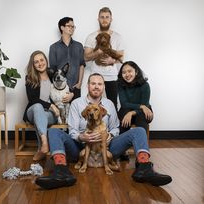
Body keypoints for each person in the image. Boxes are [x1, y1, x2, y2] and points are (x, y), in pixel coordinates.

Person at [35, 73, 172, 190]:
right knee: (53, 131)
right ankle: (61, 172)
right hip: (81, 147)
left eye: (99, 84)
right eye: (93, 83)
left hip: (107, 147)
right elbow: (72, 130)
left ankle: (144, 169)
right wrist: (82, 137)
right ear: (87, 86)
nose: (96, 86)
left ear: (103, 87)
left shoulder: (109, 104)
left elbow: (115, 128)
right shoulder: (77, 103)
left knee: (139, 131)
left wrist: (110, 135)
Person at [84, 7, 124, 109]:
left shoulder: (117, 37)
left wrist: (112, 60)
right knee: (94, 104)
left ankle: (113, 125)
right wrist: (97, 52)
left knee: (113, 104)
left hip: (112, 76)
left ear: (111, 19)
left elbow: (121, 57)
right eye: (102, 17)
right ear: (98, 19)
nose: (104, 19)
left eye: (107, 17)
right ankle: (94, 125)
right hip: (95, 76)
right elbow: (85, 57)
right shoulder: (91, 36)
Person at [23, 50, 60, 161]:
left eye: (42, 60)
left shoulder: (52, 74)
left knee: (41, 116)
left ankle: (41, 149)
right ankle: (44, 143)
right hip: (33, 111)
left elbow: (65, 83)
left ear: (46, 60)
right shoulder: (30, 77)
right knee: (38, 107)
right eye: (36, 62)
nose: (40, 63)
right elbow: (33, 100)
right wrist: (51, 106)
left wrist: (71, 93)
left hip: (49, 115)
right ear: (33, 65)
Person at [49, 17, 85, 101]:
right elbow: (53, 70)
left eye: (73, 26)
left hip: (75, 88)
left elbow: (82, 65)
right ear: (62, 28)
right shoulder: (53, 47)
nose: (72, 28)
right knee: (61, 113)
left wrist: (79, 84)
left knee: (75, 113)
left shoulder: (79, 46)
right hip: (60, 88)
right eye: (69, 26)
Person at [118, 61, 153, 134]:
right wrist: (141, 106)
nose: (127, 74)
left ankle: (141, 144)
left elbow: (145, 105)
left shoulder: (145, 85)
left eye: (129, 71)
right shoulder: (120, 84)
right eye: (124, 72)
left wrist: (131, 113)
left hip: (142, 112)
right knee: (124, 116)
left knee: (142, 118)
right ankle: (122, 143)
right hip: (126, 110)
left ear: (136, 72)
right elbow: (124, 104)